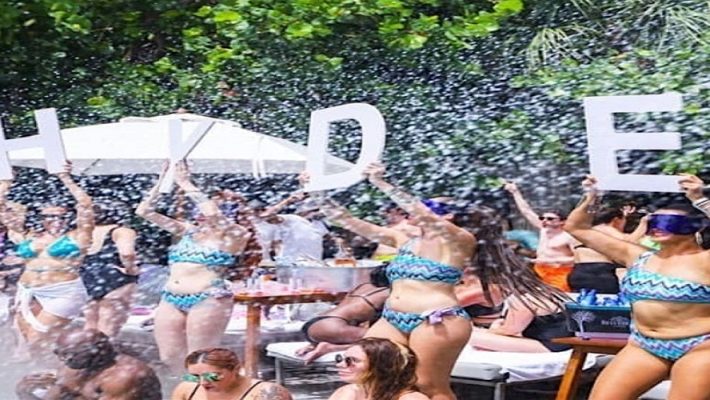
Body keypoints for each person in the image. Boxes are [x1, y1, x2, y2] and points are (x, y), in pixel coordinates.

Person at [319, 162, 562, 400]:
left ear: (448, 216)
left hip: (436, 320)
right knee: (371, 375)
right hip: (392, 318)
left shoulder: (460, 241)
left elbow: (421, 213)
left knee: (427, 385)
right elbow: (349, 221)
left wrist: (381, 183)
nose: (419, 211)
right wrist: (317, 194)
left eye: (430, 207)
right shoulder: (405, 241)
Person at [564, 175, 710, 400]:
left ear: (694, 227)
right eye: (654, 222)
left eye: (669, 222)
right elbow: (576, 228)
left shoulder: (704, 261)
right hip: (644, 344)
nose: (658, 227)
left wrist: (700, 200)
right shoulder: (636, 256)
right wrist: (593, 196)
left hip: (700, 346)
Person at [136, 162, 249, 372]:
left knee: (201, 358)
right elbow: (144, 211)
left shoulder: (236, 234)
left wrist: (185, 183)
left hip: (208, 299)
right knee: (169, 356)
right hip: (171, 297)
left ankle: (204, 389)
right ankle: (186, 387)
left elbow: (213, 215)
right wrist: (162, 180)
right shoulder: (188, 231)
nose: (202, 214)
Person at [0, 164, 93, 354]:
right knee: (27, 337)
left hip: (63, 291)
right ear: (41, 218)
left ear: (69, 217)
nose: (56, 220)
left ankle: (60, 365)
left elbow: (85, 205)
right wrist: (6, 182)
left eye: (61, 216)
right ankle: (47, 368)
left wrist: (65, 178)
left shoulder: (78, 236)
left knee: (36, 339)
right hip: (28, 290)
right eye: (49, 216)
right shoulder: (28, 235)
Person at [15, 328, 161, 400]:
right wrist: (25, 392)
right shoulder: (72, 367)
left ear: (94, 352)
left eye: (68, 355)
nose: (62, 359)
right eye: (58, 353)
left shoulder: (124, 376)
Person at [296, 265, 390, 363]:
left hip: (318, 324)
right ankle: (330, 347)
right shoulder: (388, 293)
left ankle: (315, 344)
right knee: (389, 338)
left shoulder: (362, 286)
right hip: (332, 327)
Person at [80, 199, 139, 337]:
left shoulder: (86, 232)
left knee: (90, 325)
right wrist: (131, 270)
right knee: (108, 326)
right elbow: (127, 253)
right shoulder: (122, 231)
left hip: (88, 275)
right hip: (114, 276)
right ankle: (103, 349)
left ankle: (85, 349)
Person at [504, 181, 576, 291]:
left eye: (550, 219)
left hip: (559, 272)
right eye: (542, 218)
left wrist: (553, 261)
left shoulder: (568, 237)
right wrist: (515, 192)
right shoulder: (543, 230)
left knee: (559, 297)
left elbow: (578, 259)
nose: (545, 221)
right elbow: (526, 211)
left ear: (562, 221)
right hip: (539, 270)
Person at [568, 204, 647, 294]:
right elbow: (630, 243)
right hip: (599, 274)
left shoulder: (583, 232)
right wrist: (643, 224)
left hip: (577, 272)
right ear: (616, 220)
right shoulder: (605, 229)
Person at [171, 347, 293, 400]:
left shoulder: (266, 393)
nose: (203, 382)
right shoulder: (187, 389)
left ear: (236, 369)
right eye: (195, 377)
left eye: (212, 376)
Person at [329, 337, 430, 400]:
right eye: (340, 359)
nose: (340, 365)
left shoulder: (411, 398)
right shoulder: (348, 392)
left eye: (352, 361)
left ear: (379, 367)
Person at [468, 293, 571, 352]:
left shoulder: (525, 299)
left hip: (549, 345)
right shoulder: (545, 292)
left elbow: (509, 331)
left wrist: (492, 329)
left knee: (472, 336)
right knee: (476, 333)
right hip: (557, 342)